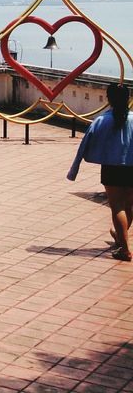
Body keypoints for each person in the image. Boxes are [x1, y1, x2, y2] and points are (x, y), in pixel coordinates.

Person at [68, 83, 133, 261]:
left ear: (109, 99)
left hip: (112, 168)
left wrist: (73, 171)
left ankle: (125, 248)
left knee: (117, 207)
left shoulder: (102, 120)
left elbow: (84, 146)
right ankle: (120, 235)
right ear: (128, 98)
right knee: (128, 206)